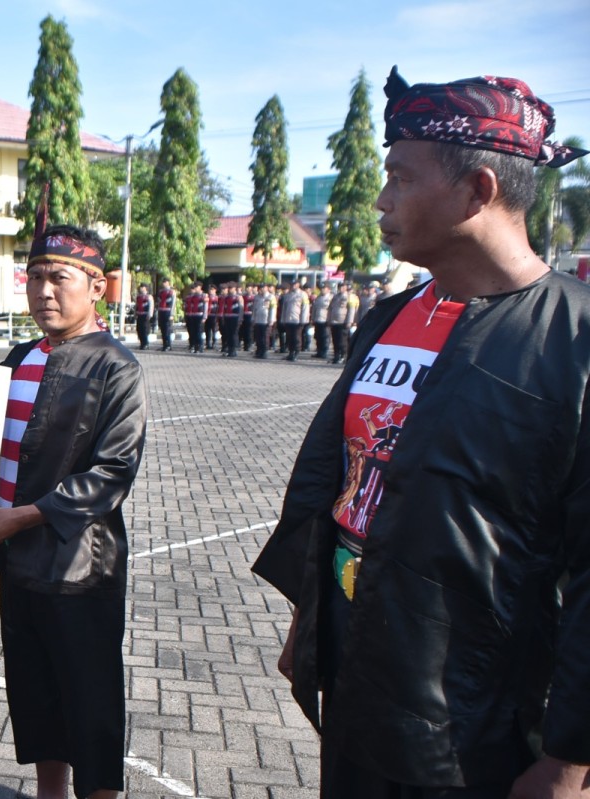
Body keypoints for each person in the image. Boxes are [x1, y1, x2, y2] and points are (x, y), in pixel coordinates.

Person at [252, 67, 590, 798]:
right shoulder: (389, 318)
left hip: (475, 726)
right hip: (356, 680)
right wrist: (311, 619)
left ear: (478, 191)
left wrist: (570, 757)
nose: (381, 200)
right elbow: (335, 487)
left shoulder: (575, 341)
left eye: (400, 177)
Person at [0, 221, 147, 799]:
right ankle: (50, 793)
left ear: (96, 286)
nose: (43, 290)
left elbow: (112, 473)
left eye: (59, 278)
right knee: (35, 687)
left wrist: (24, 517)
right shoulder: (19, 356)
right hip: (18, 560)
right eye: (35, 276)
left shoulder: (115, 366)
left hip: (78, 567)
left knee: (88, 696)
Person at [326, 283, 357, 365]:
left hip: (343, 322)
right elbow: (330, 308)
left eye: (343, 286)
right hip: (334, 322)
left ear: (346, 287)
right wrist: (329, 319)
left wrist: (349, 321)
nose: (341, 288)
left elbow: (351, 310)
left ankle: (343, 356)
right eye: (340, 287)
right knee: (335, 340)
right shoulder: (335, 296)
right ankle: (336, 356)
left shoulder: (349, 297)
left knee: (342, 341)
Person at [279, 282, 308, 361]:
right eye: (292, 285)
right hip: (289, 320)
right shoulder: (287, 295)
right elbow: (284, 308)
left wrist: (303, 320)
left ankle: (296, 353)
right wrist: (283, 319)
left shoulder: (303, 294)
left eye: (295, 284)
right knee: (290, 337)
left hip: (297, 320)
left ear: (298, 285)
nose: (293, 286)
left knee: (296, 338)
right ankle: (291, 353)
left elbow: (305, 308)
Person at [182, 282, 206, 353]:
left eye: (196, 287)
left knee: (198, 332)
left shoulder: (203, 296)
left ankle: (200, 346)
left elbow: (205, 307)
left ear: (200, 287)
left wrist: (204, 317)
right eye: (194, 287)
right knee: (194, 332)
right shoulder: (191, 296)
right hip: (192, 315)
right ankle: (195, 347)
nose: (195, 289)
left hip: (199, 315)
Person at [156, 277, 175, 351]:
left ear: (168, 283)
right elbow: (159, 302)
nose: (163, 283)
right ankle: (164, 344)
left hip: (168, 311)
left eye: (165, 282)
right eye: (163, 282)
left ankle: (168, 345)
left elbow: (173, 304)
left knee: (167, 329)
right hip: (161, 311)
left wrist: (171, 314)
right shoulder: (161, 292)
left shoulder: (172, 291)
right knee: (163, 329)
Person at [133, 284, 153, 350]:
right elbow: (136, 306)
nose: (141, 288)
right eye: (140, 287)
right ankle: (142, 343)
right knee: (139, 329)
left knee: (144, 330)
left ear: (145, 288)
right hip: (139, 315)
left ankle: (146, 343)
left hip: (145, 315)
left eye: (142, 287)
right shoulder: (138, 297)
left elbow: (151, 306)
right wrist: (135, 314)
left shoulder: (149, 297)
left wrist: (149, 315)